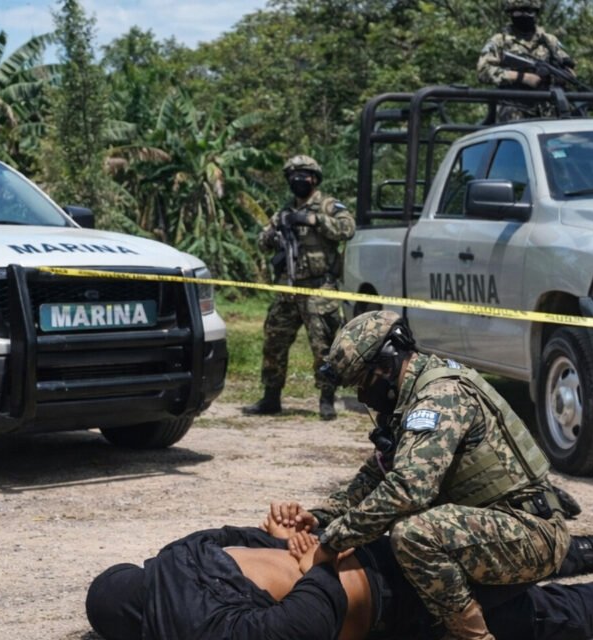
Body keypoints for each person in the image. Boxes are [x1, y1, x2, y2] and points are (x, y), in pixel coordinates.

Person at [299, 310, 570, 639]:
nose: (360, 396)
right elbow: (375, 477)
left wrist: (331, 542)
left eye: (362, 382)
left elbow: (408, 489)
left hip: (530, 531)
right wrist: (318, 517)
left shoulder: (439, 398)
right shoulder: (411, 395)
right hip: (499, 524)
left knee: (413, 534)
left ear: (386, 364)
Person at [84, 514, 593, 639]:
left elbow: (302, 625)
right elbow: (258, 535)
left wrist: (319, 564)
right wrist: (311, 544)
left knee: (557, 615)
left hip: (392, 597)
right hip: (382, 571)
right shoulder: (183, 552)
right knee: (527, 588)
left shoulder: (193, 625)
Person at [243, 155, 355, 421]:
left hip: (319, 290)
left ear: (314, 179)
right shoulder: (284, 211)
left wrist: (315, 221)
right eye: (293, 175)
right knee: (274, 341)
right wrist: (271, 236)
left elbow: (348, 228)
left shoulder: (328, 205)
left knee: (324, 347)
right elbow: (262, 238)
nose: (298, 180)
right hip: (288, 290)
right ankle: (271, 397)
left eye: (303, 175)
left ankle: (326, 399)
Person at [477, 0, 575, 90]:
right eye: (518, 12)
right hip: (513, 103)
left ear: (536, 13)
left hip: (547, 103)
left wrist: (553, 78)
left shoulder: (549, 41)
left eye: (529, 12)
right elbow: (483, 72)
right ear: (511, 13)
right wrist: (522, 77)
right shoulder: (500, 40)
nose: (524, 16)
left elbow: (570, 73)